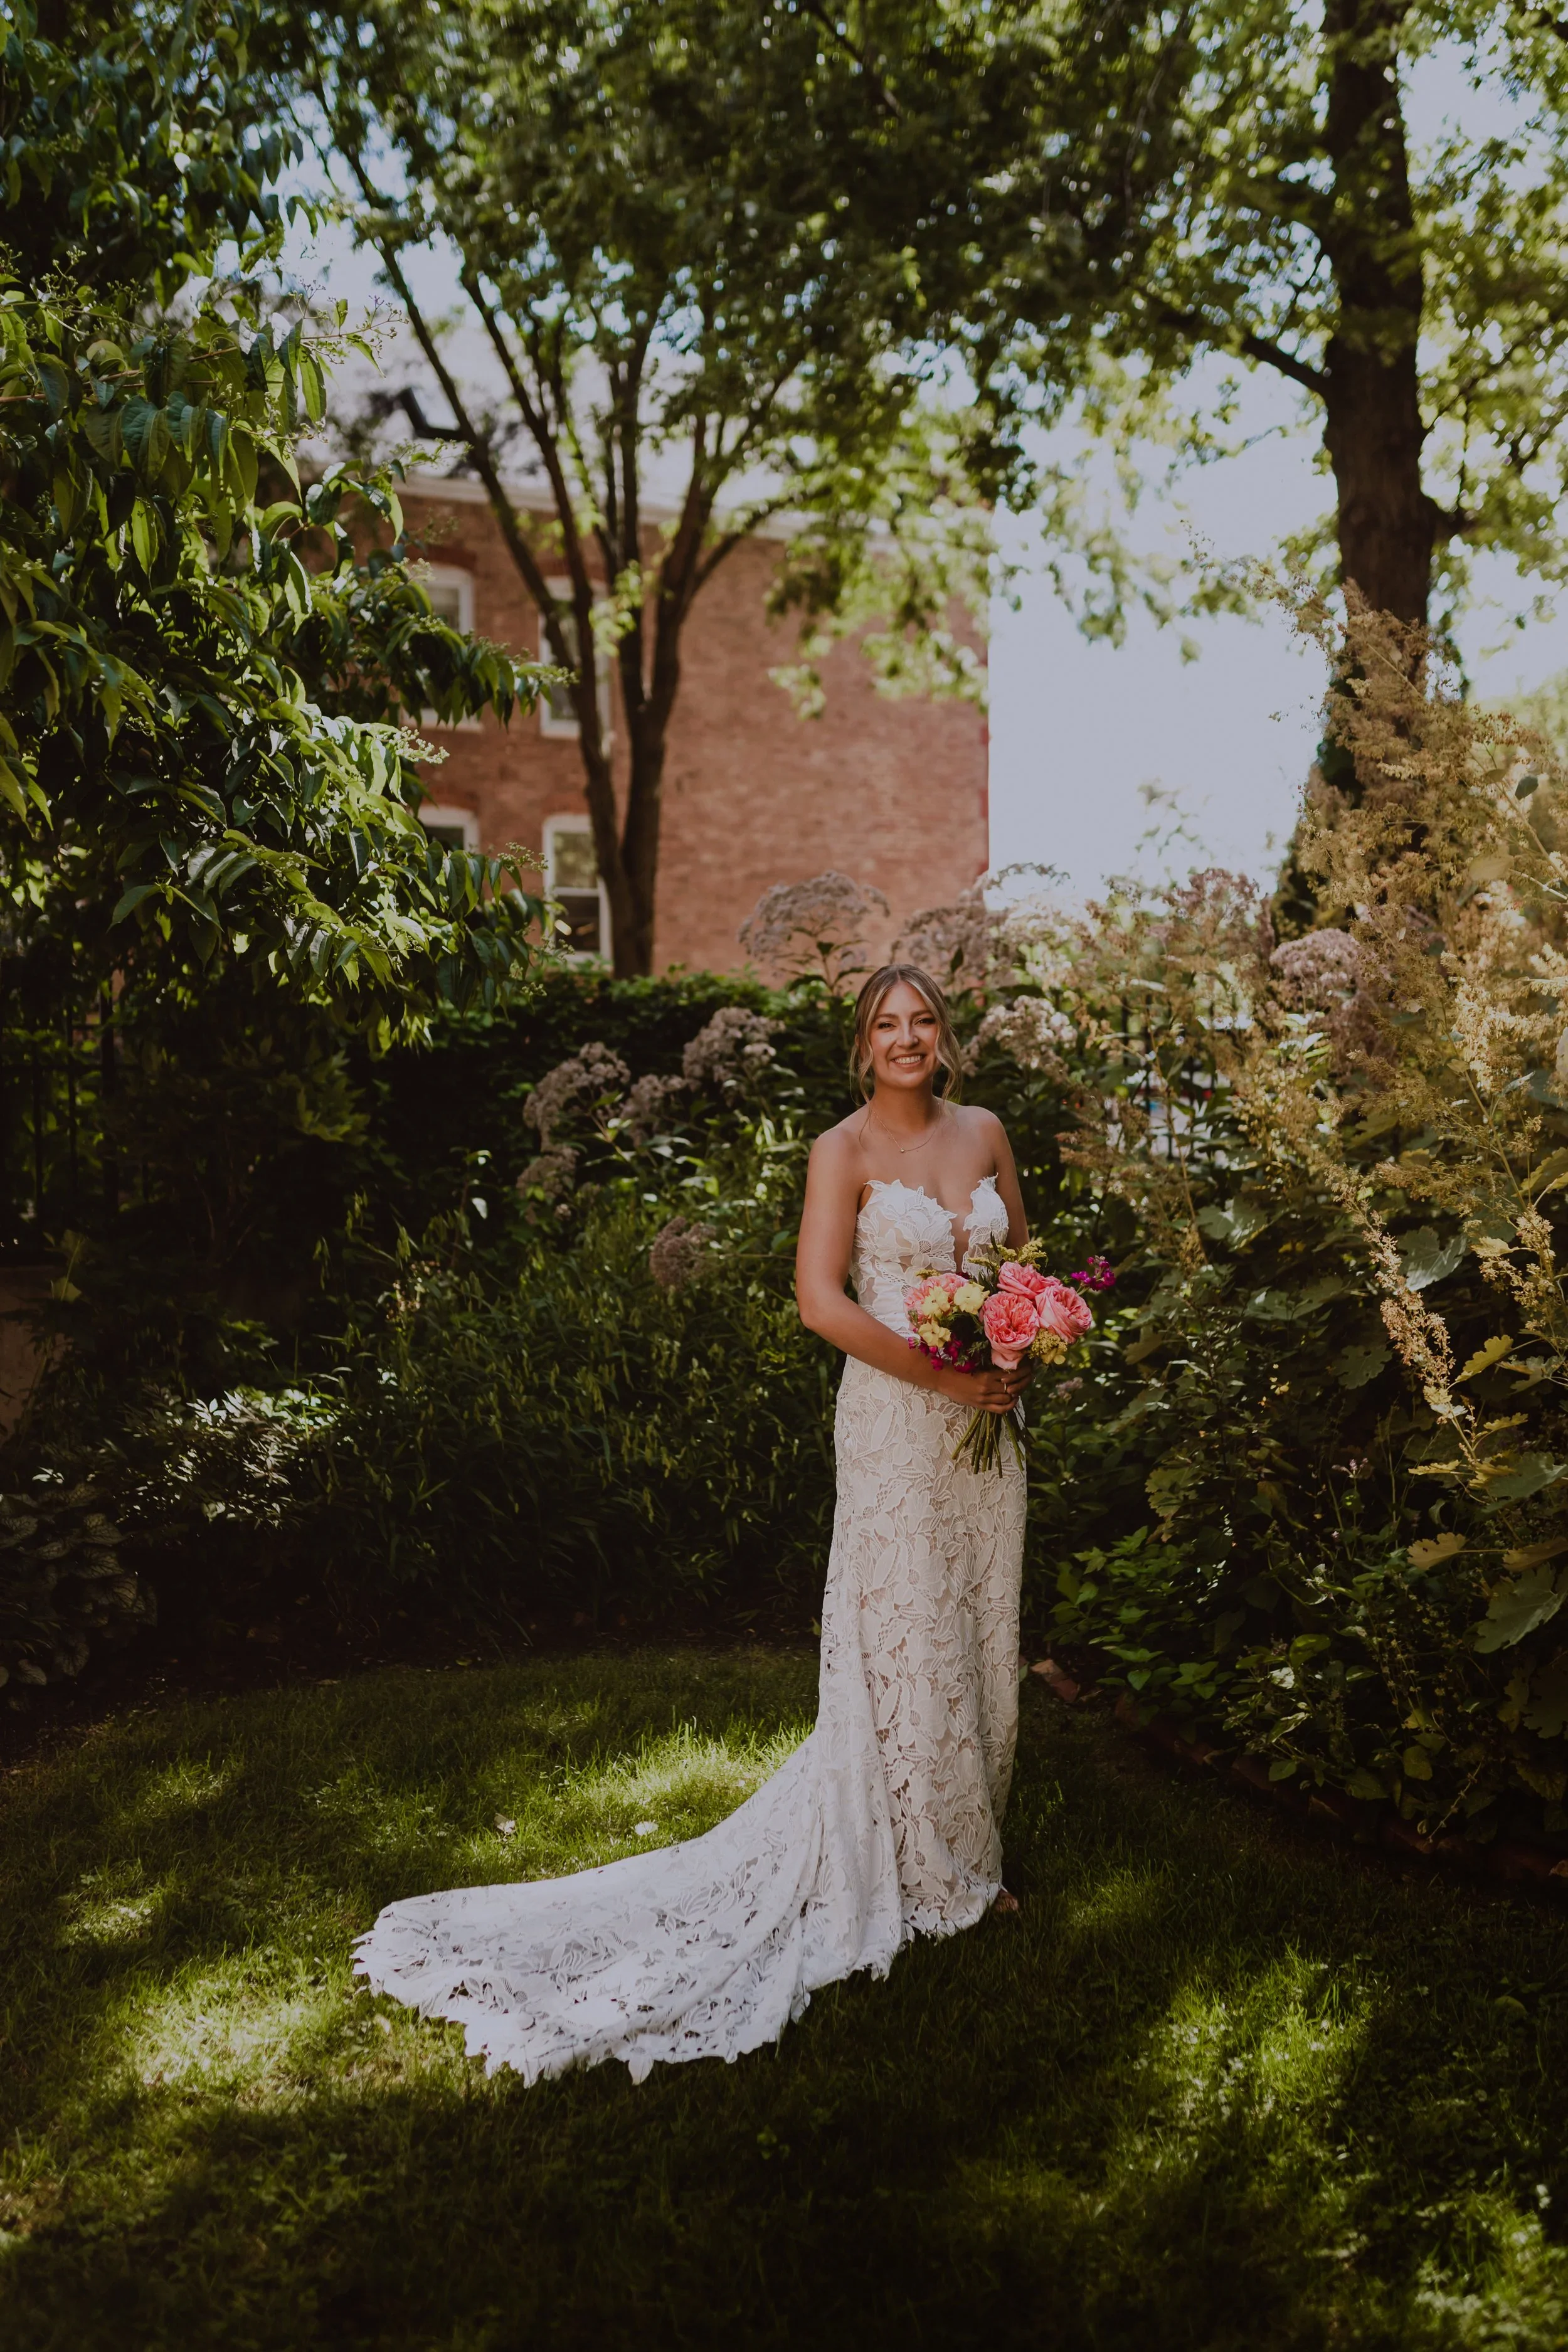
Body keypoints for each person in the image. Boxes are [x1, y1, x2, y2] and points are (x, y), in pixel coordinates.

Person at [352, 962, 1031, 2082]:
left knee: (975, 1622)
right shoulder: (842, 1150)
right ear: (863, 1049)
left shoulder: (988, 1129)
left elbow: (1018, 1269)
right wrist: (943, 1379)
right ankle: (927, 1870)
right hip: (897, 1425)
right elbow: (822, 1300)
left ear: (946, 1038)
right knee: (905, 1630)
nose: (906, 1039)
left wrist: (1015, 1351)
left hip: (989, 1429)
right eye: (884, 1026)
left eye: (922, 1023)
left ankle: (968, 1845)